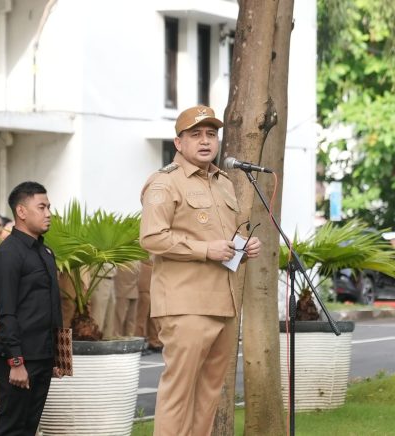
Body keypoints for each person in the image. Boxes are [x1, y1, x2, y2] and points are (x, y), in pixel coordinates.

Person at [140, 105, 262, 435]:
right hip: (185, 305)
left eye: (211, 134)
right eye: (195, 135)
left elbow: (220, 238)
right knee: (179, 394)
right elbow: (152, 237)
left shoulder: (224, 183)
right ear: (178, 143)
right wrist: (205, 250)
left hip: (221, 303)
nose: (205, 141)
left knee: (209, 395)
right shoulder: (165, 183)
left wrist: (242, 247)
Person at [0, 181, 64, 435]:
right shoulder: (8, 254)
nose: (48, 213)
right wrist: (16, 362)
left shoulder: (45, 252)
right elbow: (7, 313)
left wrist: (58, 357)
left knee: (29, 428)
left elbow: (53, 306)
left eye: (49, 207)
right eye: (41, 207)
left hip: (43, 357)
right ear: (21, 212)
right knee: (11, 428)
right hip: (19, 359)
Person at [134, 257, 163, 352]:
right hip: (145, 288)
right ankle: (139, 343)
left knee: (153, 317)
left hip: (152, 289)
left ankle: (154, 342)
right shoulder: (144, 262)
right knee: (141, 318)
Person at [113, 260, 141, 337]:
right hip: (127, 291)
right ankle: (123, 338)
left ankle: (124, 338)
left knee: (125, 319)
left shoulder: (135, 260)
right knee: (124, 319)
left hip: (127, 291)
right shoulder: (136, 261)